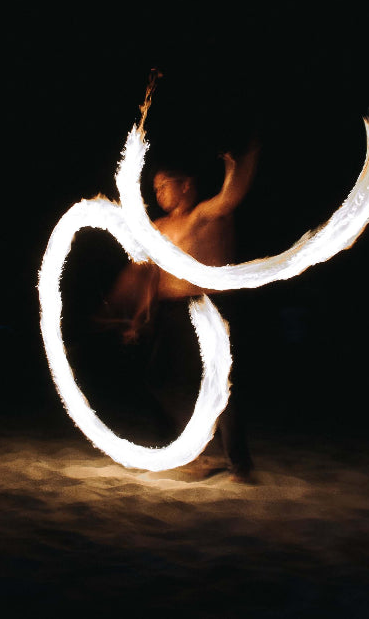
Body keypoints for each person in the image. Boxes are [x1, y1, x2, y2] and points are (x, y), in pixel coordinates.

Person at [103, 141, 260, 481]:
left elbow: (230, 196)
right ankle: (189, 447)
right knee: (158, 378)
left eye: (163, 185)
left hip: (209, 307)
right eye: (155, 188)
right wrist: (138, 317)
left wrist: (241, 161)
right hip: (171, 311)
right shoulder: (158, 228)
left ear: (186, 185)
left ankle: (240, 464)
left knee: (222, 386)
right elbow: (149, 277)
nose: (158, 193)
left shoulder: (202, 215)